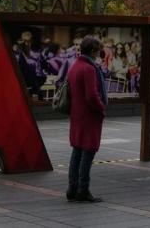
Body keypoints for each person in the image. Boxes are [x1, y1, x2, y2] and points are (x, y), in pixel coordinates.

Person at [67, 35, 107, 203]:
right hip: (89, 116)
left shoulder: (75, 65)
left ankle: (72, 189)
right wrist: (101, 108)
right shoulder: (89, 69)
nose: (99, 54)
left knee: (76, 152)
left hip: (77, 114)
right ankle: (83, 190)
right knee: (88, 153)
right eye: (98, 51)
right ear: (92, 51)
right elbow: (92, 95)